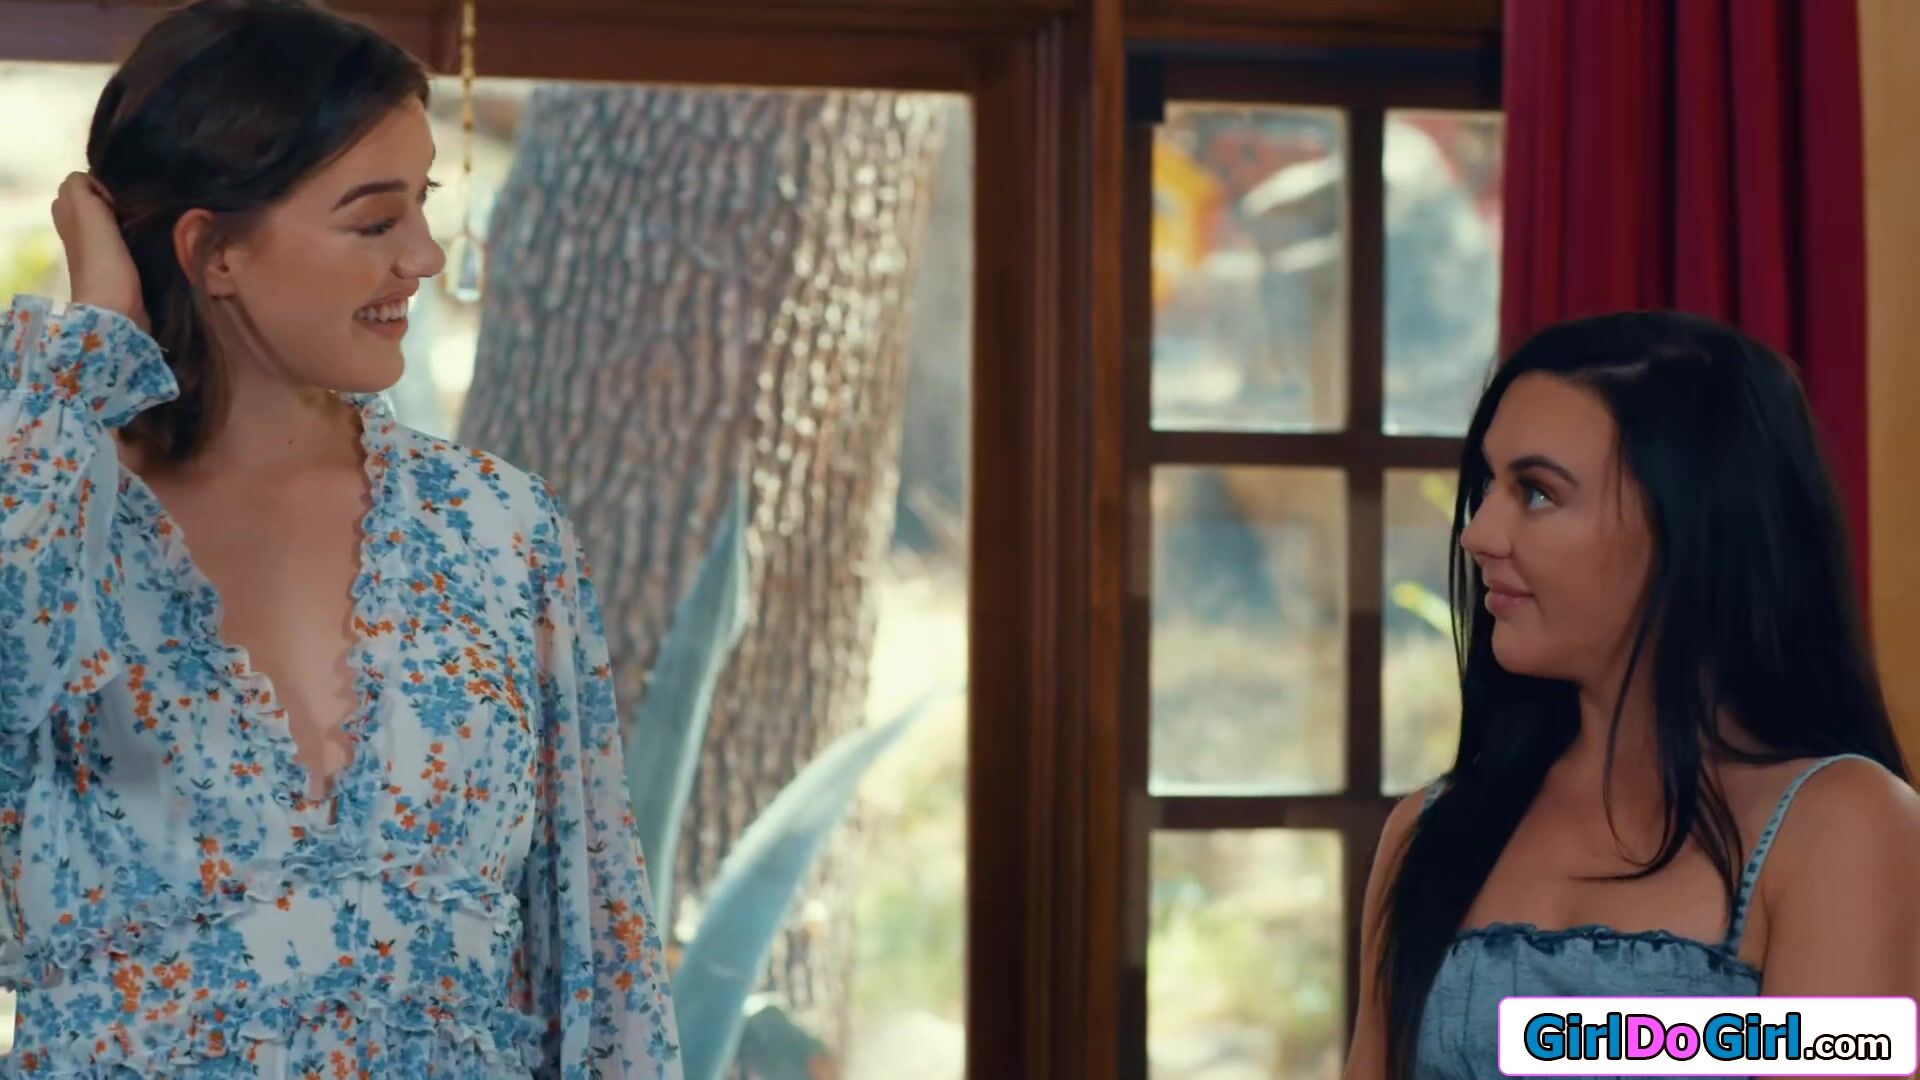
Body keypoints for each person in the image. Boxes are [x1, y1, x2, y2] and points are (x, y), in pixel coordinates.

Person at [0, 1, 681, 1075]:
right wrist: (95, 342)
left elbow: (601, 955)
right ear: (212, 251)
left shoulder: (497, 528)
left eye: (424, 206)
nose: (425, 256)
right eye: (374, 223)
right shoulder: (47, 520)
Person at [1341, 312, 1920, 1080]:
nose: (1478, 533)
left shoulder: (1841, 826)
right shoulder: (1427, 831)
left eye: (1537, 493)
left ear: (1689, 527)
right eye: (1487, 485)